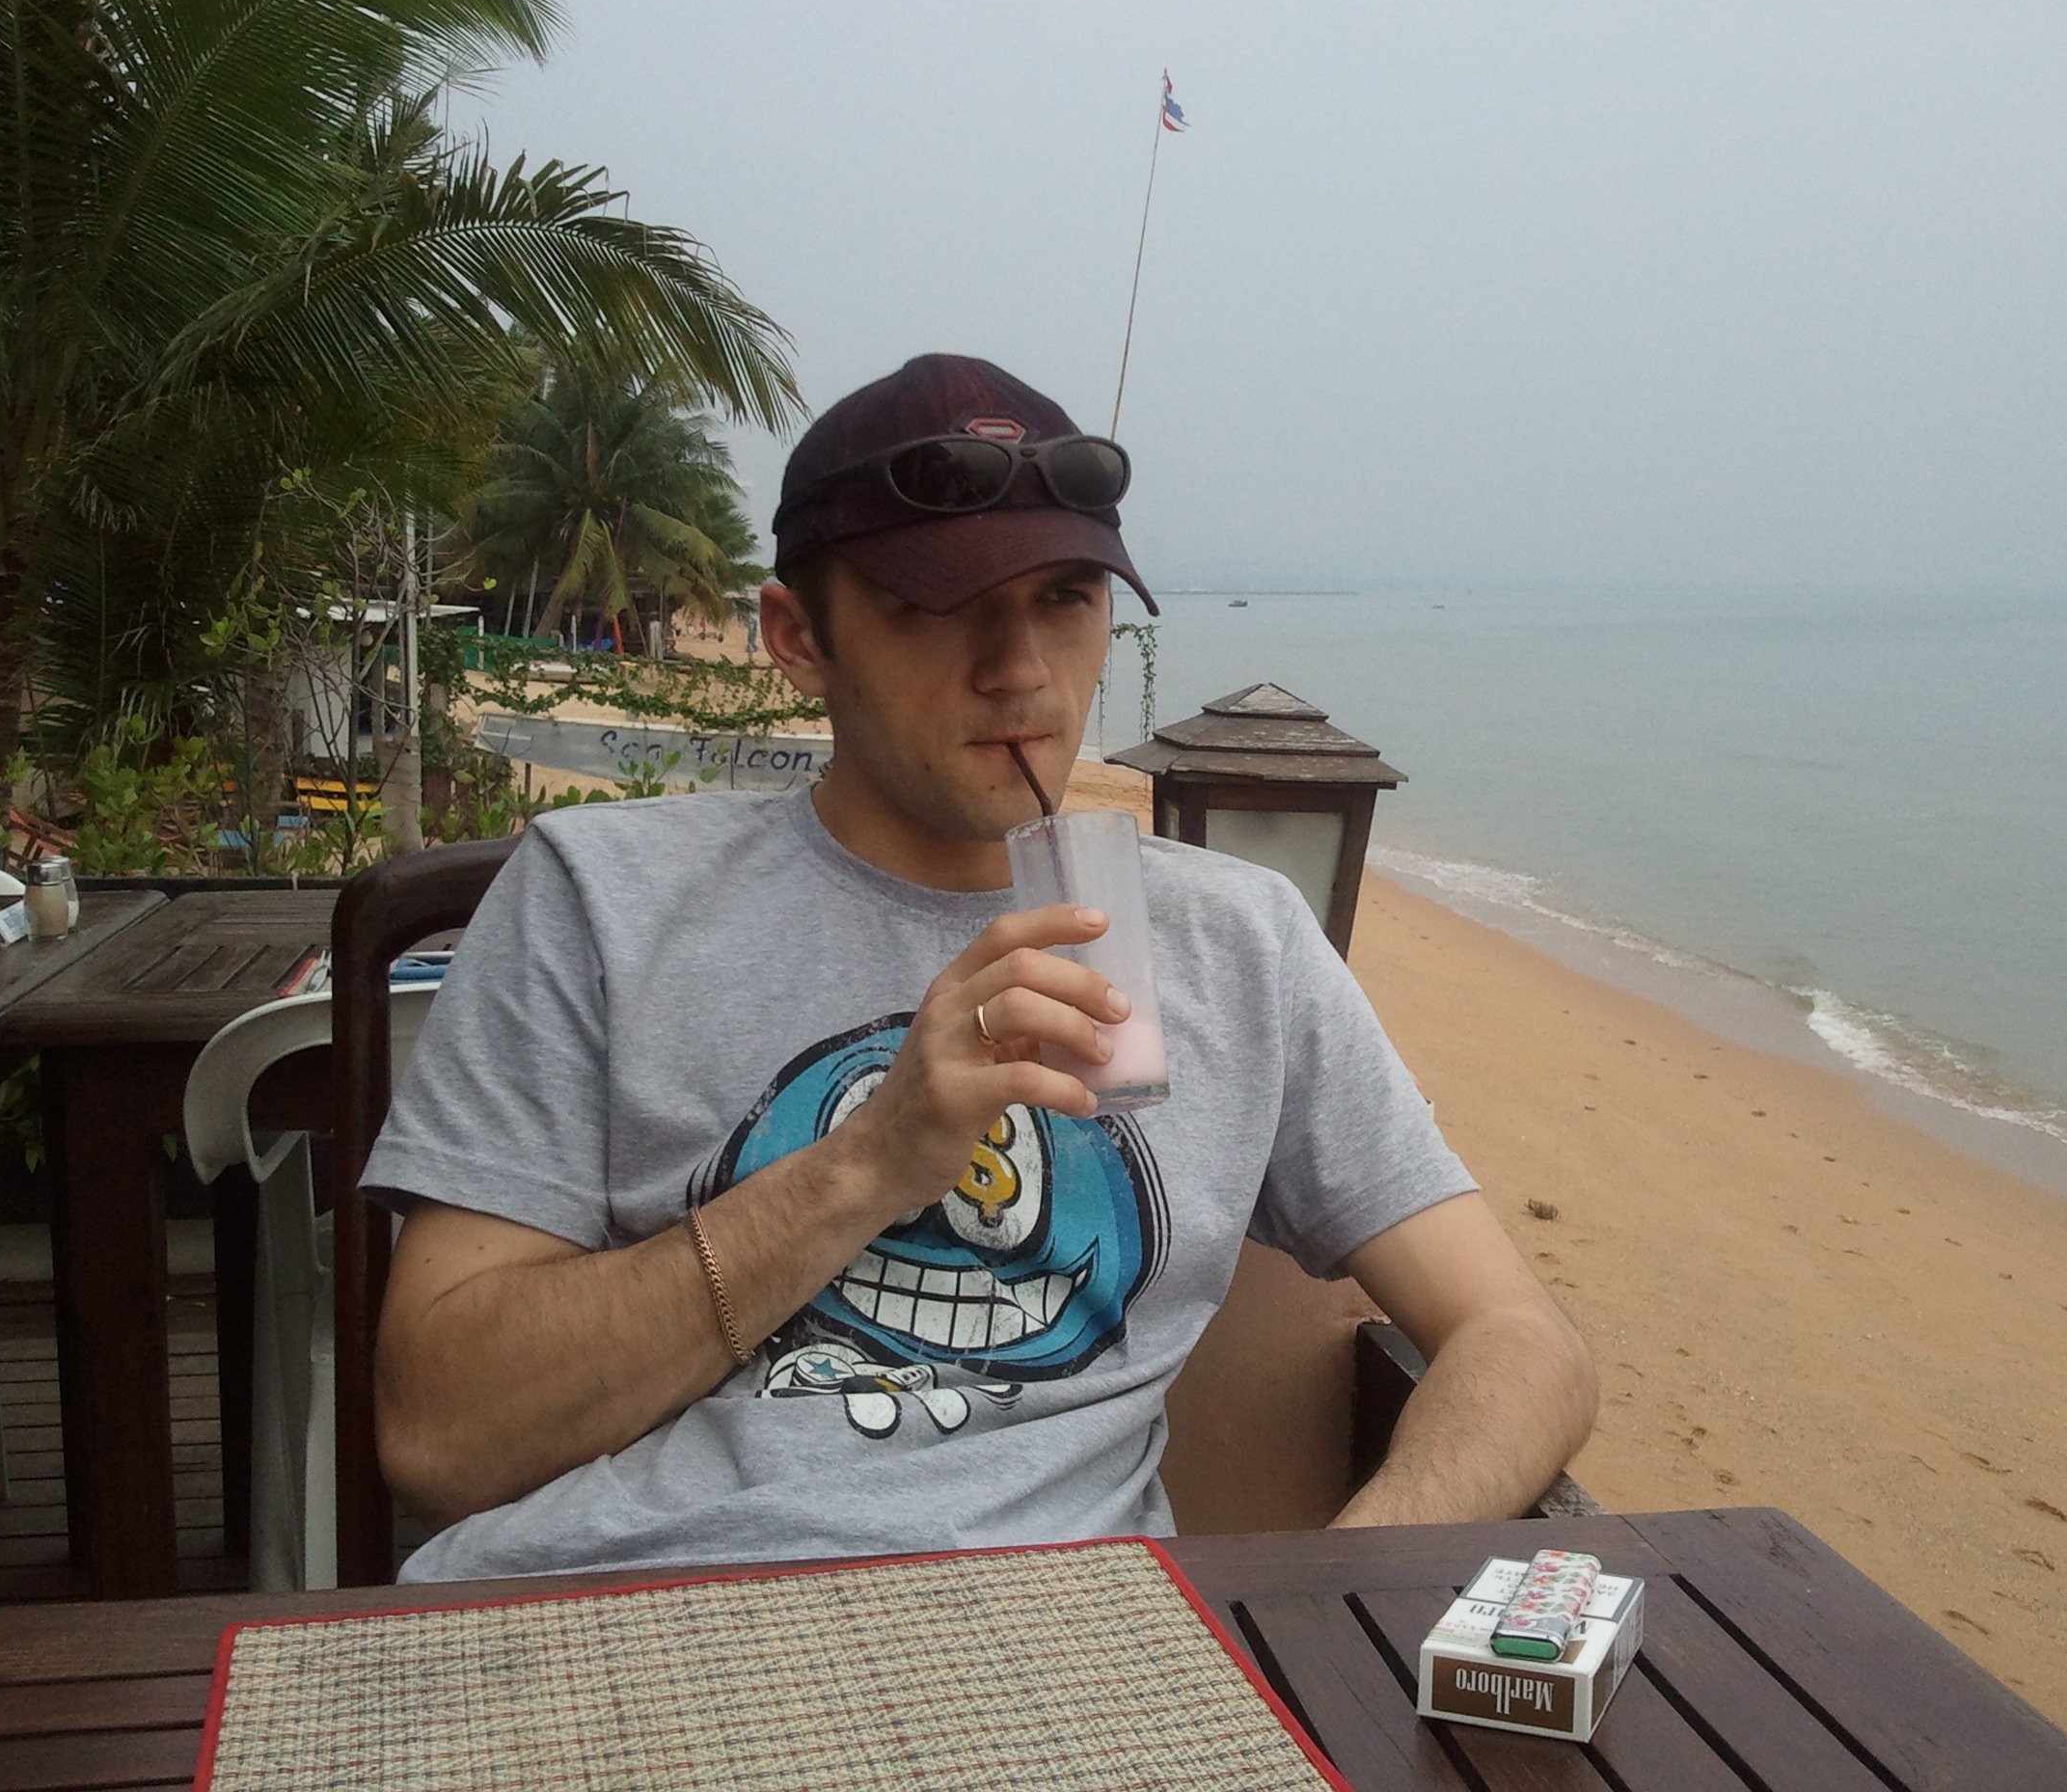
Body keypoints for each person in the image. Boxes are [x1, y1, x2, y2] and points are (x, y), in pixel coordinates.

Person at [365, 353, 1597, 1581]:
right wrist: (866, 1163)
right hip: (604, 1616)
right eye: (939, 603)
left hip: (1053, 1637)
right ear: (797, 637)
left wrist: (1323, 1602)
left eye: (1064, 597)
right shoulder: (600, 899)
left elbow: (1519, 1340)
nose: (1020, 670)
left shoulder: (1241, 942)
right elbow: (439, 1437)